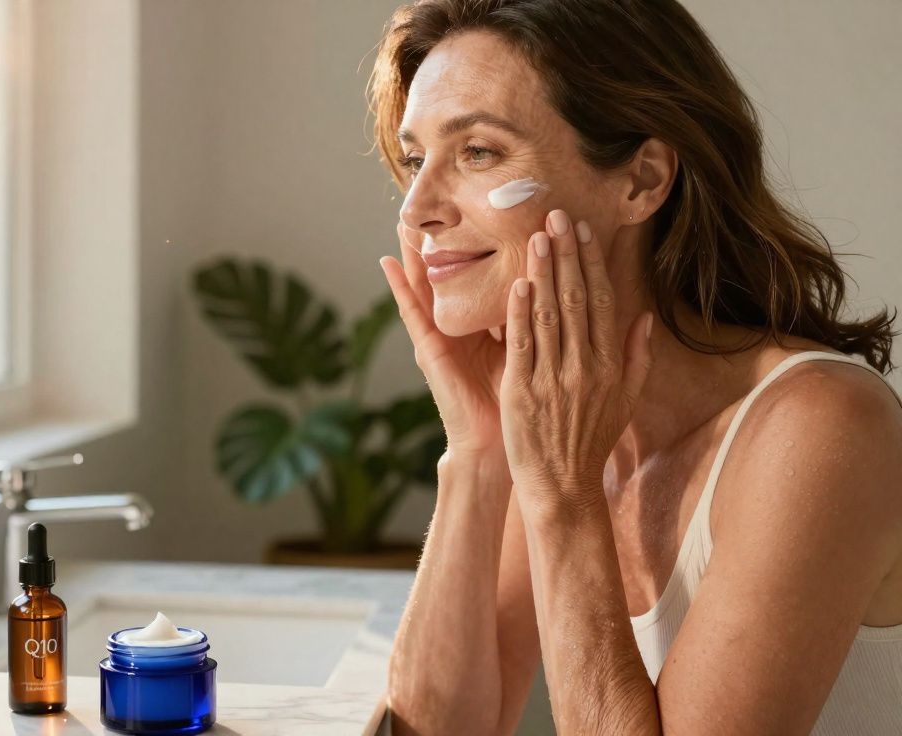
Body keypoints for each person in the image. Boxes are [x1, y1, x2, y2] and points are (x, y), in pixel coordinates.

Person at [369, 1, 902, 733]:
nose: (420, 206)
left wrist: (562, 492)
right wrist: (478, 449)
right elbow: (444, 729)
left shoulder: (818, 426)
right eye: (415, 160)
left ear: (642, 180)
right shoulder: (563, 419)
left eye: (479, 153)